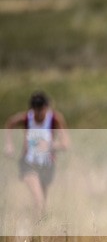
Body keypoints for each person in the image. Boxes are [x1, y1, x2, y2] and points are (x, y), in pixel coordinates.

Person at [4, 91, 70, 219]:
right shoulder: (26, 118)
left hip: (47, 164)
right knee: (38, 198)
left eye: (41, 110)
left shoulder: (55, 119)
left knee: (42, 203)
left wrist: (50, 145)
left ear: (47, 107)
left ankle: (38, 229)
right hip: (28, 163)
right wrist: (9, 144)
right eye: (36, 111)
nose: (39, 114)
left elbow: (66, 143)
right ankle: (34, 232)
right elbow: (10, 124)